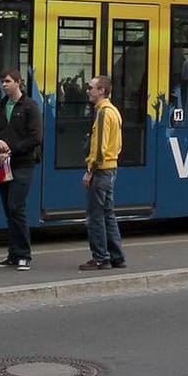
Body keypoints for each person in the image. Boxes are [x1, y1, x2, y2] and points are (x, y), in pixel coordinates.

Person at [0, 69, 42, 271]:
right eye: (2, 81)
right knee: (8, 210)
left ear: (18, 83)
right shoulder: (2, 107)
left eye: (8, 81)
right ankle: (13, 254)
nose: (4, 85)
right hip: (1, 164)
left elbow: (36, 138)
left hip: (23, 164)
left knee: (16, 207)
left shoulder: (30, 107)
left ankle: (24, 255)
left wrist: (11, 150)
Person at [80, 75, 126, 271]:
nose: (88, 91)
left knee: (95, 216)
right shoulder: (113, 111)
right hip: (111, 168)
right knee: (108, 213)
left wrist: (90, 170)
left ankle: (100, 257)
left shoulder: (102, 114)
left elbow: (99, 148)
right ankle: (117, 256)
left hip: (101, 171)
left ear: (102, 91)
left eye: (91, 88)